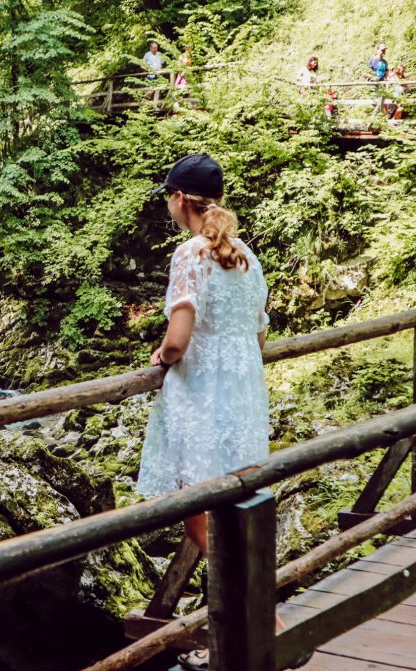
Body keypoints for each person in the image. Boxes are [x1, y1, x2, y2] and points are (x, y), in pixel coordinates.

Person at [142, 154, 301, 670]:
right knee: (242, 509)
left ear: (180, 199)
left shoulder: (189, 255)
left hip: (200, 395)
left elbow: (179, 335)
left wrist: (161, 357)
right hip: (242, 393)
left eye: (169, 195)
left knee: (199, 516)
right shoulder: (246, 255)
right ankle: (256, 624)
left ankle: (266, 626)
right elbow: (258, 331)